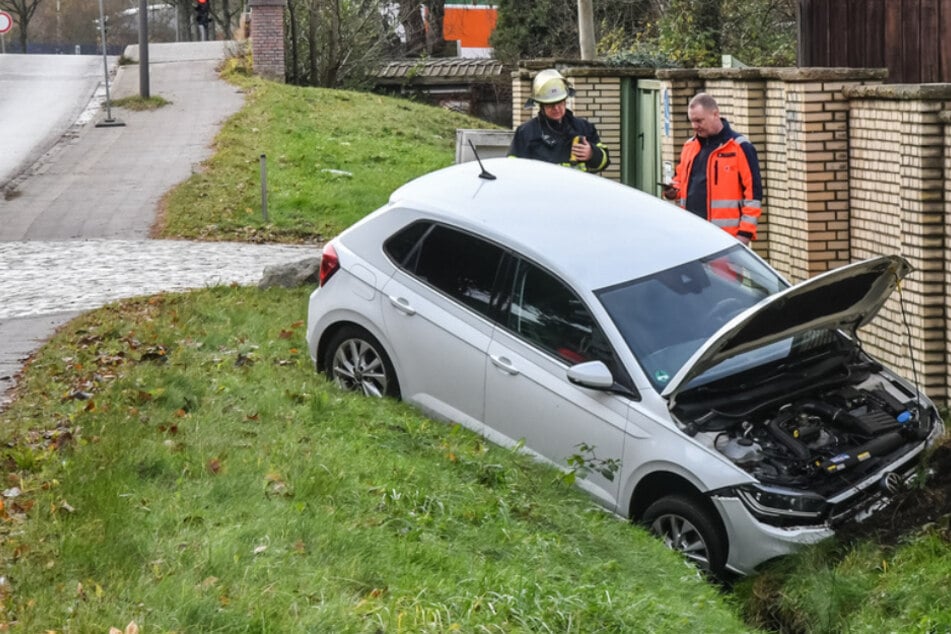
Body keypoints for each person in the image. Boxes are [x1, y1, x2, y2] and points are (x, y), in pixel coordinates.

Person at [663, 93, 762, 245]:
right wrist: (672, 191)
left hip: (726, 239)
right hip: (691, 234)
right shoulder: (689, 146)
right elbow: (680, 182)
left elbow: (753, 195)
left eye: (699, 120)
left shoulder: (740, 147)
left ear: (715, 114)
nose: (694, 126)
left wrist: (745, 233)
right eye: (692, 121)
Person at [507, 69, 610, 174]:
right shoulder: (526, 132)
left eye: (560, 103)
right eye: (551, 104)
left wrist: (592, 154)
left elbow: (604, 162)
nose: (556, 108)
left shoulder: (583, 127)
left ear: (565, 101)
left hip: (577, 189)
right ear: (541, 105)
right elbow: (513, 168)